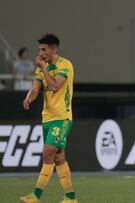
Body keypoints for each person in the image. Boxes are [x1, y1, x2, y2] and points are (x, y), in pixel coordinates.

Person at [20, 34, 77, 203]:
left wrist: (44, 68)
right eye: (39, 49)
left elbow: (54, 86)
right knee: (59, 158)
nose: (40, 52)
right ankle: (70, 197)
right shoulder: (40, 68)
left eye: (44, 49)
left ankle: (35, 196)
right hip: (47, 118)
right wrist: (29, 97)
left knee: (47, 154)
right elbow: (36, 89)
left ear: (54, 49)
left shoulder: (64, 65)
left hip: (62, 117)